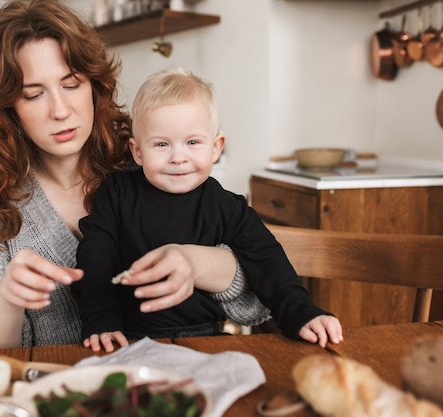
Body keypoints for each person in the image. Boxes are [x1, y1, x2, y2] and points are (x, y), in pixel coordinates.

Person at [0, 0, 271, 352]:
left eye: (71, 84)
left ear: (94, 85)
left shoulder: (150, 162)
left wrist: (196, 262)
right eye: (34, 94)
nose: (61, 110)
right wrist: (8, 297)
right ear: (7, 108)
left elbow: (256, 305)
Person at [74, 67, 343, 352]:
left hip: (204, 338)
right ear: (137, 152)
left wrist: (301, 312)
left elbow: (267, 260)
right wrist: (100, 318)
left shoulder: (226, 205)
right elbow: (95, 258)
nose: (178, 157)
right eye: (162, 144)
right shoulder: (116, 193)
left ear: (216, 148)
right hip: (126, 338)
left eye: (192, 142)